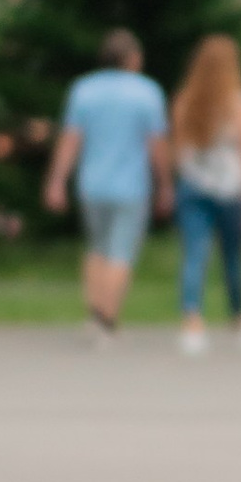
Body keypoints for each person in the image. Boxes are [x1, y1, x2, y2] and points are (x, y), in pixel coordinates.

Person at [41, 29, 171, 339]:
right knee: (121, 251)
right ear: (132, 58)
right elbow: (157, 144)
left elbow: (71, 139)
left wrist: (57, 180)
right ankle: (108, 317)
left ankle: (94, 311)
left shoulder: (84, 90)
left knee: (97, 249)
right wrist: (165, 183)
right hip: (131, 186)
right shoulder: (147, 92)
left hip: (92, 183)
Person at [169, 33, 241, 356]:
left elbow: (178, 151)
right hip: (231, 189)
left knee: (195, 255)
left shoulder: (185, 100)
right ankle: (239, 318)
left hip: (194, 185)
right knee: (233, 258)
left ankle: (192, 321)